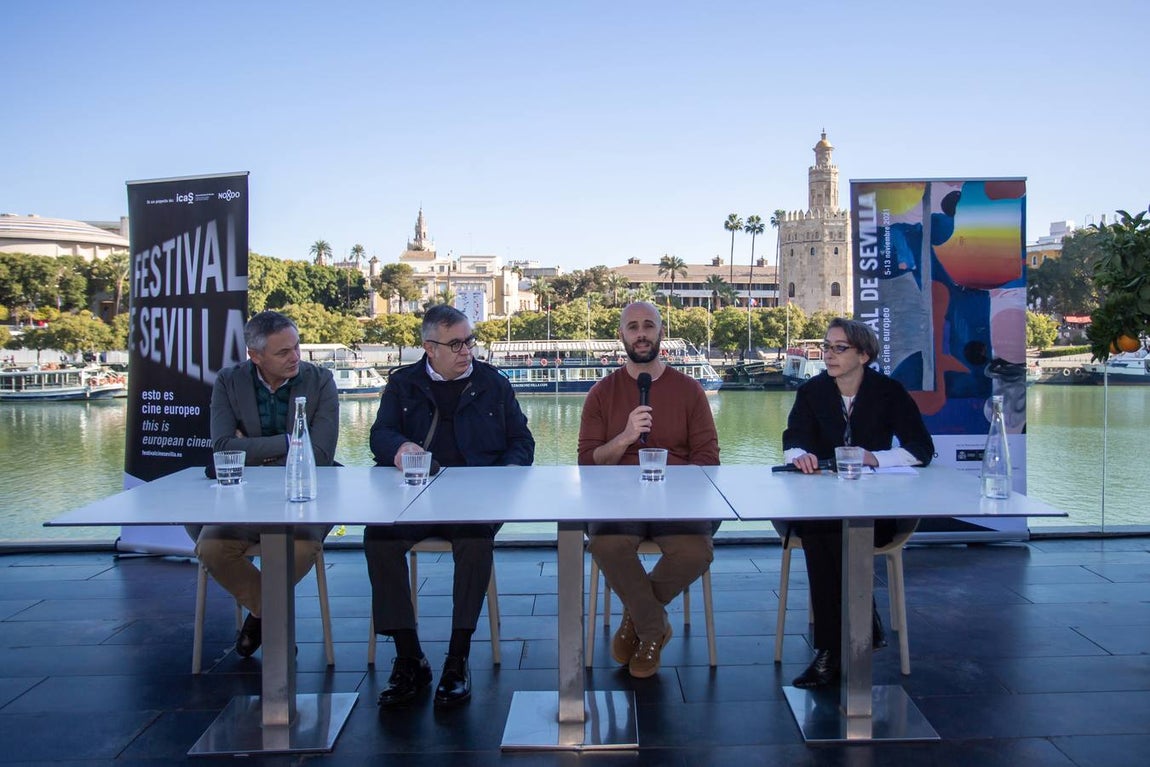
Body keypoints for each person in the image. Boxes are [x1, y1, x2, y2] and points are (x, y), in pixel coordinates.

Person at [365, 304, 534, 709]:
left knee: (476, 540)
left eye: (469, 340)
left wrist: (501, 479)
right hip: (416, 497)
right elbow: (380, 434)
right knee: (378, 538)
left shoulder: (494, 383)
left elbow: (523, 443)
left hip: (477, 501)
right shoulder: (403, 384)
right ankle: (410, 657)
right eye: (455, 343)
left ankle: (457, 659)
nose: (466, 350)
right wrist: (399, 448)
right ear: (429, 347)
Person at [782, 317, 934, 688]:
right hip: (822, 506)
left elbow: (921, 449)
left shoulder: (889, 392)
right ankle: (849, 636)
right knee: (823, 531)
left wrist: (876, 458)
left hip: (876, 510)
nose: (828, 355)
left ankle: (834, 651)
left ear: (863, 355)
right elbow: (793, 439)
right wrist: (799, 456)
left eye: (839, 348)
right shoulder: (812, 391)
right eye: (826, 347)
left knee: (836, 534)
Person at [577, 301, 720, 679]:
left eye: (649, 326)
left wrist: (666, 473)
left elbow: (708, 461)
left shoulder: (689, 391)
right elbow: (586, 463)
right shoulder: (600, 394)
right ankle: (654, 629)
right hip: (619, 502)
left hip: (678, 501)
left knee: (696, 552)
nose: (641, 334)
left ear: (660, 332)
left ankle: (636, 620)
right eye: (633, 327)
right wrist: (624, 438)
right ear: (621, 335)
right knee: (606, 545)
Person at [190, 310, 339, 659]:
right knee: (210, 549)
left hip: (305, 497)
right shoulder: (229, 382)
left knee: (302, 549)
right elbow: (223, 449)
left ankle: (259, 616)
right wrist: (289, 443)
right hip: (242, 499)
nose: (295, 357)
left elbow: (318, 454)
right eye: (283, 352)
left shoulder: (320, 380)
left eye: (297, 347)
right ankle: (274, 616)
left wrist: (252, 448)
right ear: (255, 356)